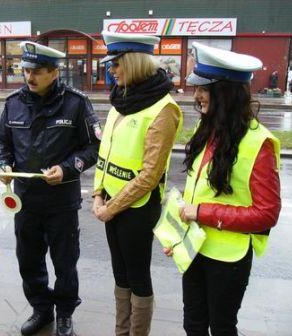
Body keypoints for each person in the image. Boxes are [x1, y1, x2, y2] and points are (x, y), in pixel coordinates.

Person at [166, 42, 281, 336]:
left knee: (221, 328)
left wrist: (202, 213)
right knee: (192, 325)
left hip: (228, 260)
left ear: (226, 93)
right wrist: (178, 236)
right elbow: (198, 193)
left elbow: (267, 214)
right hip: (194, 250)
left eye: (204, 88)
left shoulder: (259, 144)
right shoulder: (209, 128)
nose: (197, 94)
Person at [0, 41, 100, 336]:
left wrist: (67, 168)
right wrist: (3, 164)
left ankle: (65, 313)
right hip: (25, 200)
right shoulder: (13, 102)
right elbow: (3, 142)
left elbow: (94, 146)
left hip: (61, 202)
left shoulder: (76, 103)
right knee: (28, 260)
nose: (30, 77)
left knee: (65, 263)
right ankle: (41, 309)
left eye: (38, 71)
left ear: (55, 72)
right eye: (26, 69)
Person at [93, 31, 183, 335]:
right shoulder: (122, 98)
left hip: (136, 209)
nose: (112, 70)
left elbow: (150, 174)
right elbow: (105, 153)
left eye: (116, 63)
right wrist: (97, 195)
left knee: (137, 276)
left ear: (132, 63)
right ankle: (122, 331)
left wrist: (110, 208)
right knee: (121, 275)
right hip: (110, 204)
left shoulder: (164, 108)